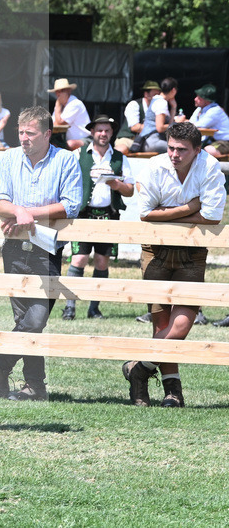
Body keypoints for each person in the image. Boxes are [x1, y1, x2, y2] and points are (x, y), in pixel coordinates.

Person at [123, 122, 225, 407]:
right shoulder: (154, 167)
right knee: (162, 323)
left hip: (192, 252)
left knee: (180, 325)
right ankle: (173, 392)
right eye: (170, 147)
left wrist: (166, 214)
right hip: (155, 249)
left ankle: (138, 369)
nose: (174, 154)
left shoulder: (209, 167)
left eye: (182, 150)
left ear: (197, 150)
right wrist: (190, 209)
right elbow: (145, 213)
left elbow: (214, 217)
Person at [0, 106, 82, 401]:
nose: (24, 138)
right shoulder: (9, 158)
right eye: (20, 132)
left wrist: (28, 214)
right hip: (14, 248)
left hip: (48, 249)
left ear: (47, 134)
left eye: (30, 133)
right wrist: (17, 211)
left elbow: (71, 205)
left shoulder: (66, 160)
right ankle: (34, 385)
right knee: (24, 317)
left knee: (36, 318)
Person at [61, 114, 135, 321]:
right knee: (80, 258)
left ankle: (94, 308)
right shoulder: (78, 154)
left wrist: (116, 185)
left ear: (112, 134)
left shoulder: (120, 158)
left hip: (108, 216)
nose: (103, 134)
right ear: (92, 132)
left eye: (107, 131)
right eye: (99, 130)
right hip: (84, 215)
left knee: (102, 262)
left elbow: (129, 191)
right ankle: (69, 307)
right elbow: (66, 182)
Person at [178, 84, 229, 157]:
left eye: (199, 98)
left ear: (207, 101)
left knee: (206, 150)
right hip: (211, 141)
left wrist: (181, 121)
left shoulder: (215, 110)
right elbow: (191, 122)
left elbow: (198, 125)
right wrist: (183, 121)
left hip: (225, 142)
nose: (195, 99)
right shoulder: (199, 109)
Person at [114, 80, 161, 154]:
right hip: (129, 138)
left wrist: (174, 107)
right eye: (155, 94)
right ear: (146, 94)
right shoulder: (134, 105)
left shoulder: (159, 108)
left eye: (159, 94)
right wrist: (158, 127)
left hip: (147, 140)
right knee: (121, 149)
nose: (158, 97)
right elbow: (135, 127)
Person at [134, 77, 178, 153]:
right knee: (180, 148)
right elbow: (160, 128)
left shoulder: (156, 99)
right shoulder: (161, 103)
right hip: (152, 141)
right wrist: (177, 124)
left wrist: (173, 107)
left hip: (149, 141)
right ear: (173, 90)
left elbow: (168, 124)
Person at [50, 78, 90, 150]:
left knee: (70, 144)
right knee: (51, 146)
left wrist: (57, 105)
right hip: (66, 140)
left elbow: (59, 122)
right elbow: (52, 123)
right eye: (57, 92)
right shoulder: (60, 106)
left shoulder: (75, 103)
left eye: (62, 91)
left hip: (86, 139)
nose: (59, 94)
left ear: (69, 91)